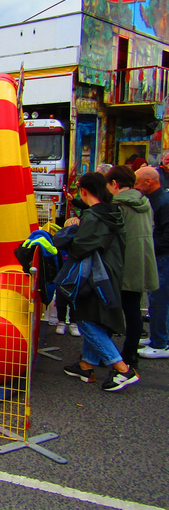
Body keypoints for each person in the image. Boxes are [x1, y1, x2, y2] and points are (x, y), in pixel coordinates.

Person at [61, 172, 138, 392]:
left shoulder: (93, 217)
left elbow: (80, 247)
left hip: (94, 275)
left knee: (85, 319)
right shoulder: (113, 211)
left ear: (84, 191)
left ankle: (123, 369)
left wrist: (70, 231)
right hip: (112, 270)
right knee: (95, 318)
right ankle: (87, 365)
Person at [106, 165, 159, 368]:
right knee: (133, 309)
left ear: (114, 184)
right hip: (143, 258)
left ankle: (109, 354)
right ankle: (131, 352)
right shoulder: (144, 202)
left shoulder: (119, 205)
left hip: (123, 261)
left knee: (111, 308)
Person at [135, 166, 169, 358]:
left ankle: (160, 342)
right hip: (159, 254)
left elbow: (166, 234)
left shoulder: (163, 201)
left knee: (158, 298)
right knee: (158, 299)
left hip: (162, 256)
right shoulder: (158, 199)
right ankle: (159, 338)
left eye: (138, 182)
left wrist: (150, 248)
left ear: (149, 181)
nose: (137, 186)